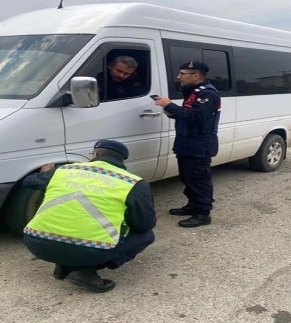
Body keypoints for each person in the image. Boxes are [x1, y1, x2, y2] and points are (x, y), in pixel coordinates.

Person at [22, 139, 156, 292]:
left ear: (95, 154)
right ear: (121, 160)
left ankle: (63, 267)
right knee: (146, 236)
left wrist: (45, 173)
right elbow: (144, 224)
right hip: (91, 251)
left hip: (36, 243)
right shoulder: (133, 182)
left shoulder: (64, 170)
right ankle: (85, 271)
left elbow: (29, 182)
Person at [154, 61, 221, 228]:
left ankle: (203, 213)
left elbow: (197, 117)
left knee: (199, 179)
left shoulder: (208, 94)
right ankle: (193, 206)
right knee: (187, 177)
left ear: (196, 75)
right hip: (187, 143)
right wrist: (171, 112)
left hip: (200, 144)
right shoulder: (193, 92)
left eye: (182, 73)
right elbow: (188, 115)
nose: (178, 77)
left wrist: (169, 105)